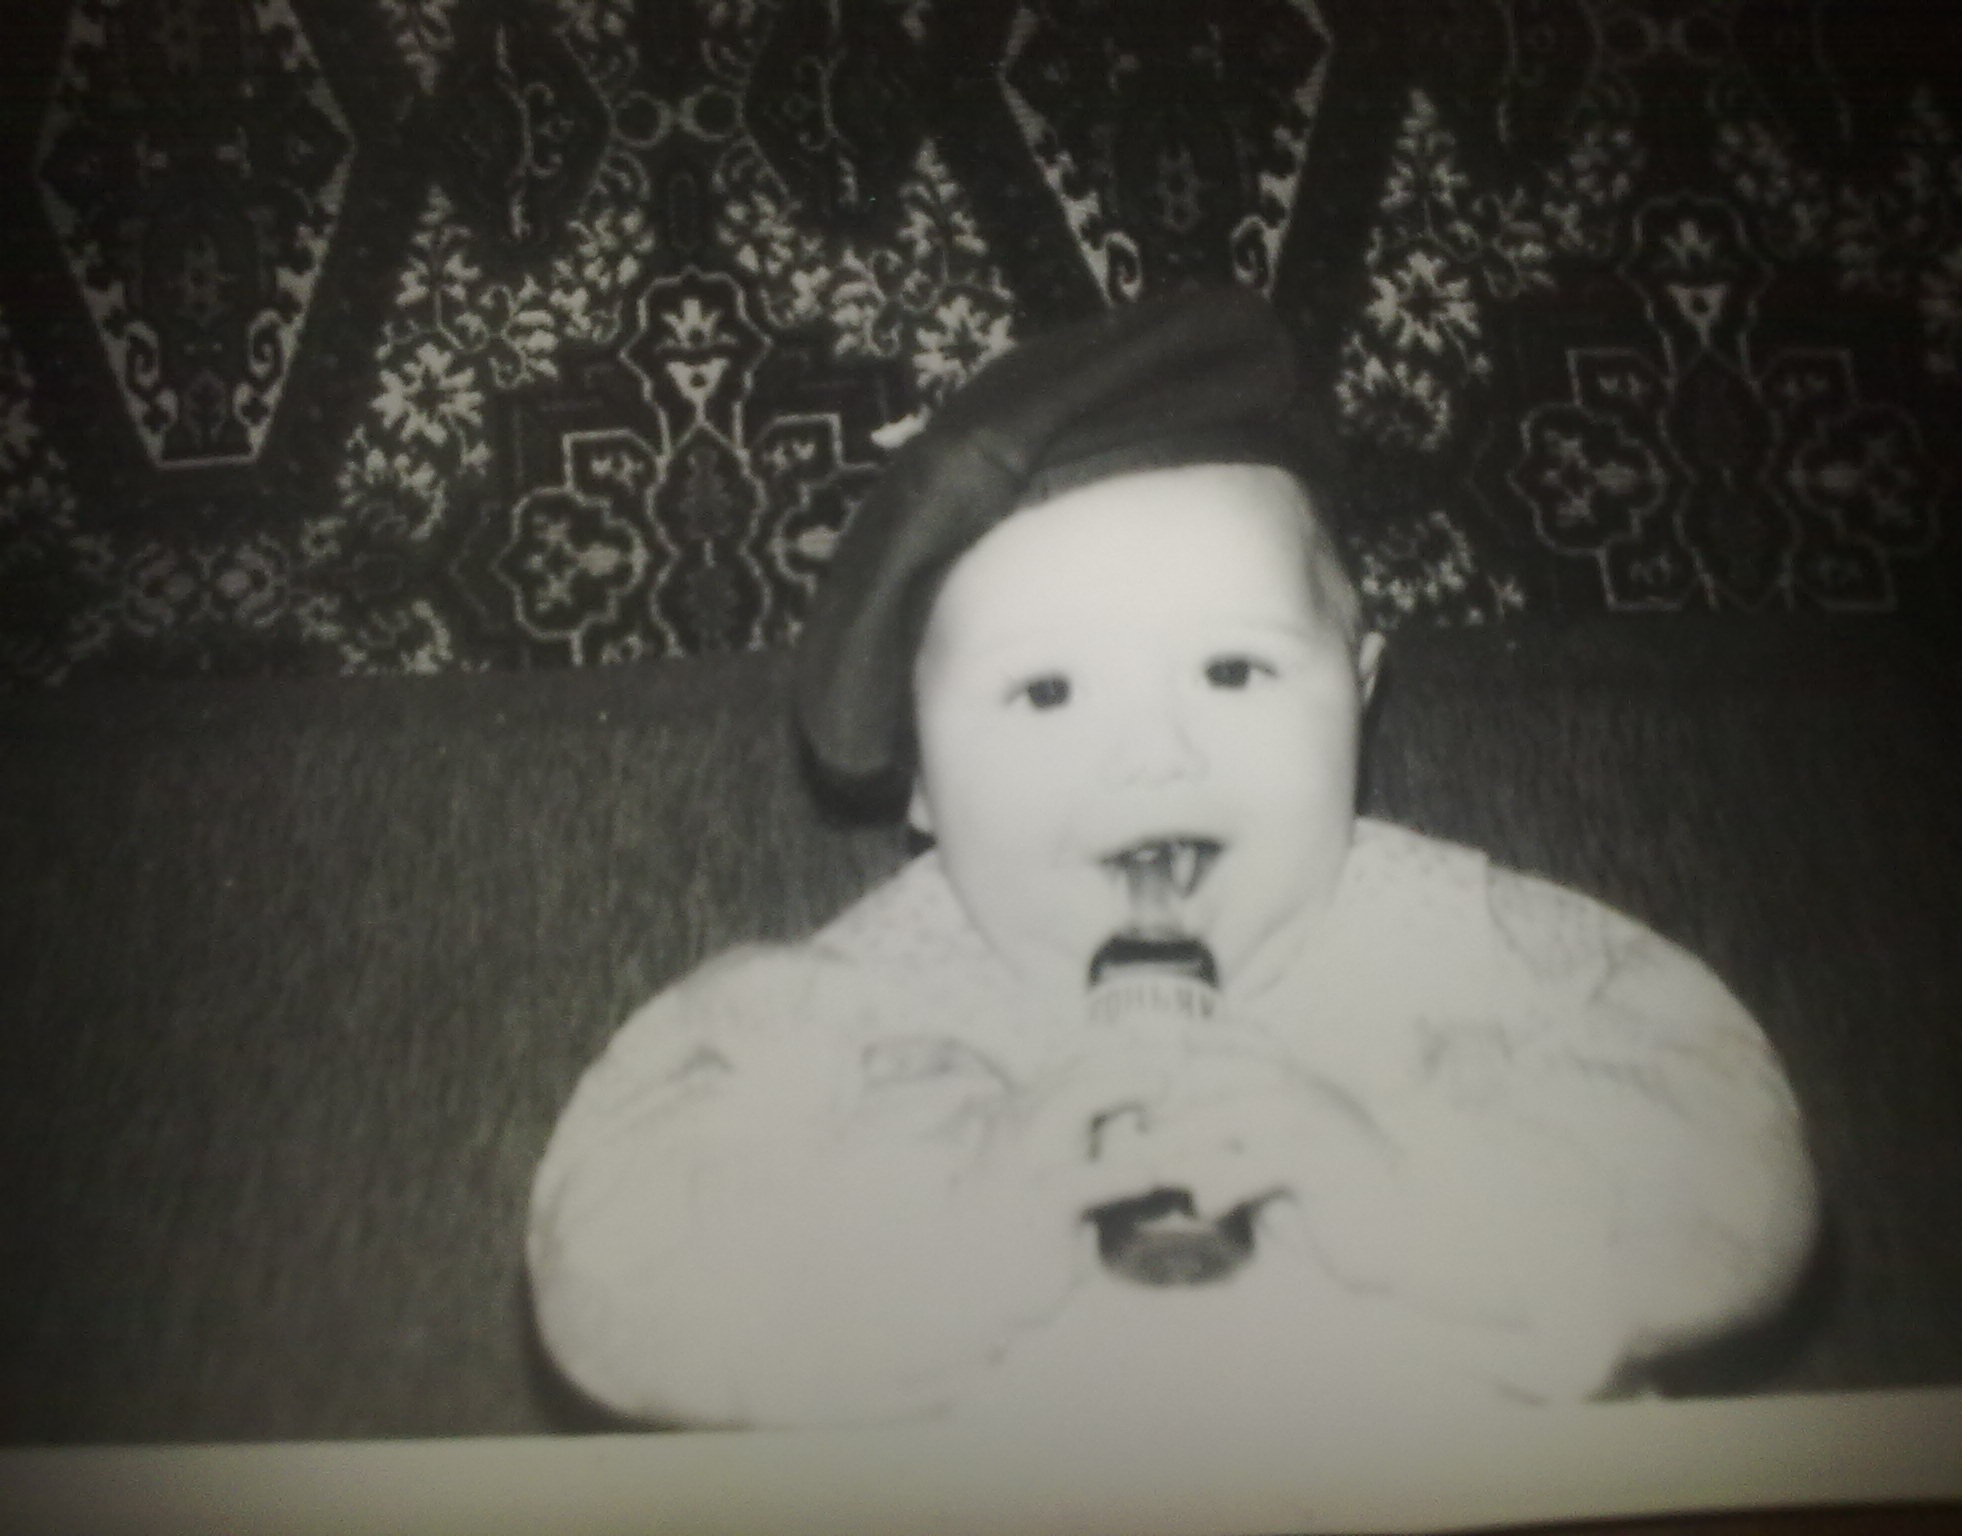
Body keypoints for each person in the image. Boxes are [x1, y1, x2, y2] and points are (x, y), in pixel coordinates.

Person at [526, 290, 1820, 1430]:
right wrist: (950, 1245)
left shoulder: (1496, 950)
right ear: (920, 774)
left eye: (1233, 670)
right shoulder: (823, 1020)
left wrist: (1408, 1196)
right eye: (1045, 692)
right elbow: (608, 1297)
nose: (1155, 753)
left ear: (1361, 693)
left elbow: (1742, 1196)